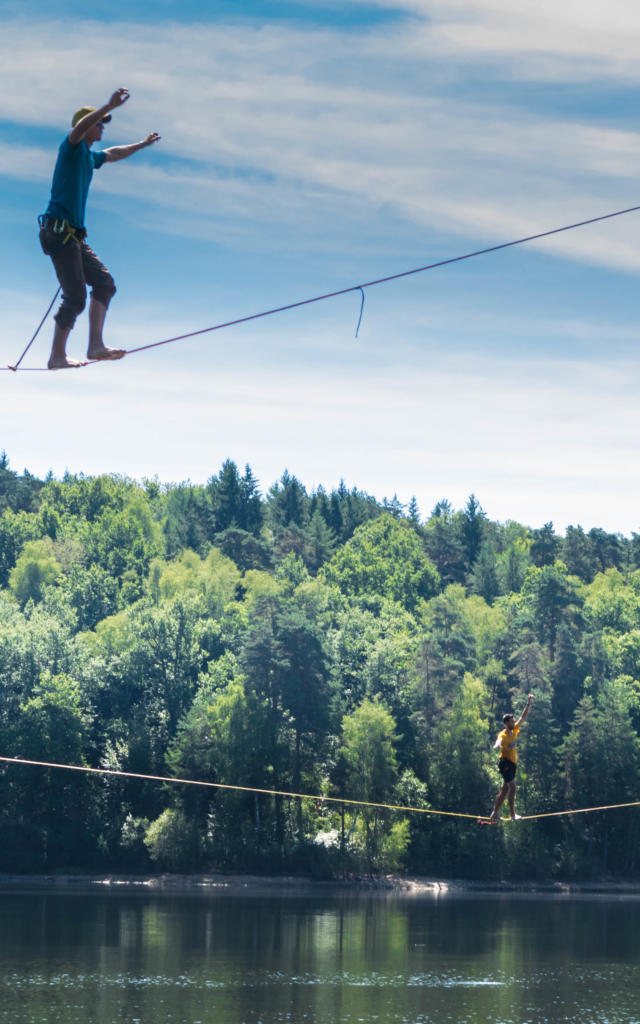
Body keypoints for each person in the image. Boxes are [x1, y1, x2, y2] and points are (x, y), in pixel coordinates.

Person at [38, 88, 160, 369]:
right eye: (99, 123)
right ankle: (56, 357)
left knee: (104, 284)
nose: (102, 127)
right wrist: (108, 106)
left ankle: (95, 345)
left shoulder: (89, 158)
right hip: (59, 231)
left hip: (74, 237)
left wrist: (141, 144)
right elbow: (78, 128)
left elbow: (114, 153)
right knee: (76, 298)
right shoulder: (71, 148)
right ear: (87, 124)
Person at [487, 694, 534, 822]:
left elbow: (523, 717)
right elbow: (499, 740)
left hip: (512, 764)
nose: (514, 722)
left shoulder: (515, 730)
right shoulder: (503, 734)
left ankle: (494, 813)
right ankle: (513, 814)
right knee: (512, 787)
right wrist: (496, 745)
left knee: (504, 789)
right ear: (507, 723)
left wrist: (528, 703)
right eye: (512, 721)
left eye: (514, 721)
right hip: (504, 763)